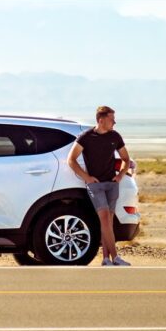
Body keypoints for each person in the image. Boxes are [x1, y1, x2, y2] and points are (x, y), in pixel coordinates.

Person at [67, 105, 135, 266]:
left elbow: (126, 159)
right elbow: (71, 159)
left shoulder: (115, 136)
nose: (114, 122)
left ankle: (106, 259)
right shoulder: (86, 137)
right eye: (112, 119)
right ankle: (116, 257)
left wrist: (120, 176)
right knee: (104, 218)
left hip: (112, 184)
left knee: (108, 222)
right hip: (95, 186)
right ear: (101, 120)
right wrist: (87, 177)